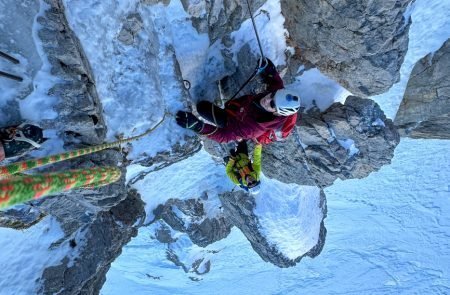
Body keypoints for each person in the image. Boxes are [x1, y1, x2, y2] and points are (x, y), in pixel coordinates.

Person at [175, 58, 301, 144]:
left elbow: (224, 136)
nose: (267, 99)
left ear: (277, 113)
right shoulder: (279, 96)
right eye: (272, 95)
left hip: (230, 120)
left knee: (202, 108)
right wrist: (269, 70)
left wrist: (198, 126)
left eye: (272, 104)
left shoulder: (252, 129)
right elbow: (276, 83)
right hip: (240, 107)